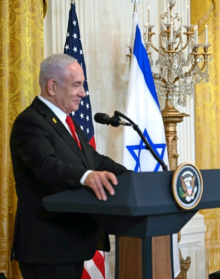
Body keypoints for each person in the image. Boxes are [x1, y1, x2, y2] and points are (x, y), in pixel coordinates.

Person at [9, 53, 128, 279]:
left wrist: (131, 176)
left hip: (71, 244)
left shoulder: (67, 122)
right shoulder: (31, 121)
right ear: (52, 86)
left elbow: (94, 159)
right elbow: (46, 165)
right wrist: (87, 177)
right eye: (77, 85)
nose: (83, 92)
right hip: (47, 249)